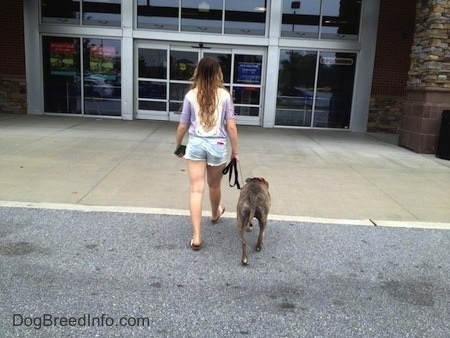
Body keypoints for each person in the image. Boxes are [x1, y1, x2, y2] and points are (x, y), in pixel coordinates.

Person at [175, 56, 239, 251]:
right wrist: (235, 151)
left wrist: (179, 145)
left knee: (196, 189)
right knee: (214, 185)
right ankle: (214, 213)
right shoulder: (225, 96)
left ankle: (196, 237)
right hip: (217, 144)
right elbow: (231, 126)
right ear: (218, 73)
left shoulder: (190, 96)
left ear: (198, 72)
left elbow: (183, 126)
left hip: (195, 144)